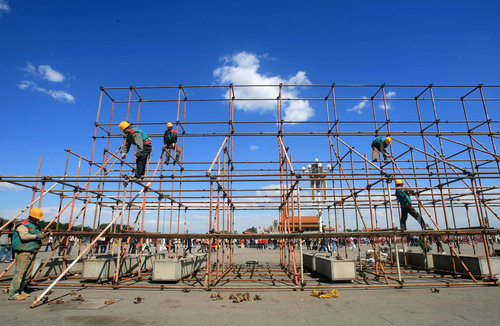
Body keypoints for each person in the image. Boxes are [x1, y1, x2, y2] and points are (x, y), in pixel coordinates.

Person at [9, 208, 49, 300]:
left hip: (32, 251)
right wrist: (37, 236)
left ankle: (21, 290)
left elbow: (40, 237)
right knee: (20, 272)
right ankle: (14, 293)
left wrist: (44, 235)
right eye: (37, 217)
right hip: (23, 252)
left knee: (26, 274)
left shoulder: (35, 226)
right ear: (33, 216)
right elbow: (23, 237)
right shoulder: (23, 225)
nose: (39, 219)